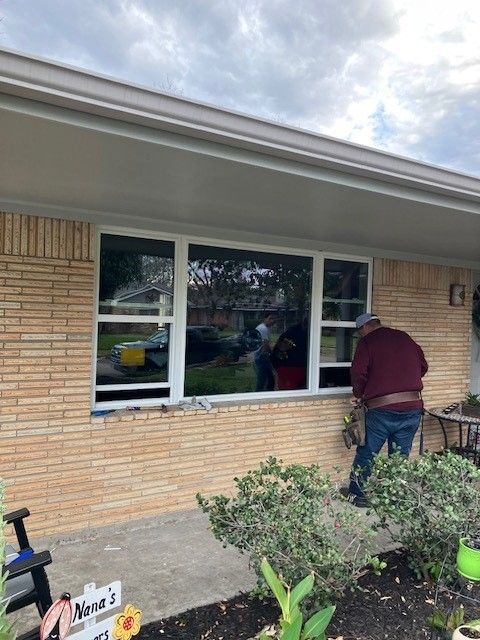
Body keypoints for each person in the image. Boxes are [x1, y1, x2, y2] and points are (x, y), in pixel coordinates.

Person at [342, 312, 428, 507]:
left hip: (381, 410)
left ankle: (358, 496)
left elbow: (358, 373)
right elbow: (423, 366)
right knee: (400, 455)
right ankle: (396, 498)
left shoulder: (367, 342)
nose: (360, 336)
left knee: (367, 453)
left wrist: (359, 393)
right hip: (412, 407)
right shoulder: (405, 337)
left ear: (364, 327)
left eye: (359, 332)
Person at [271, 318, 308, 390]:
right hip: (288, 367)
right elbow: (279, 351)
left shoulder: (294, 331)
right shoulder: (294, 333)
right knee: (289, 391)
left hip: (299, 366)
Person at [254, 314, 276, 392]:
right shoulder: (263, 328)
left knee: (267, 379)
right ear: (264, 318)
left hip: (261, 356)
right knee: (265, 380)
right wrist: (272, 354)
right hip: (262, 357)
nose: (272, 321)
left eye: (273, 319)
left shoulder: (264, 328)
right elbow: (265, 345)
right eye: (270, 318)